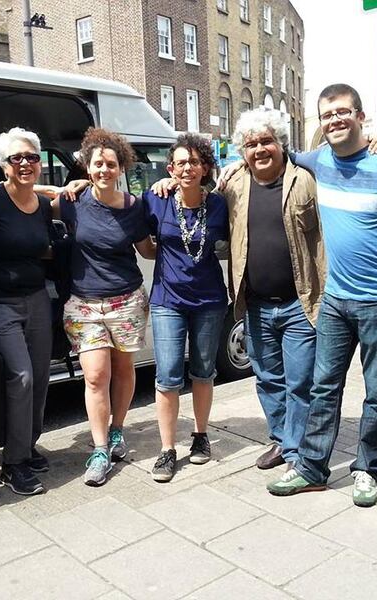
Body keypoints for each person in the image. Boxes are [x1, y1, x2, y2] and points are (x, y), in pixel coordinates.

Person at [266, 84, 377, 508]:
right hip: (334, 300)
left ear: (361, 116)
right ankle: (312, 469)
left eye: (343, 112)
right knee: (323, 386)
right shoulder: (317, 161)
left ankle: (367, 468)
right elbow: (271, 156)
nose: (335, 121)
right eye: (327, 115)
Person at [222, 108, 325, 471]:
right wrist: (169, 182)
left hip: (300, 304)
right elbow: (196, 192)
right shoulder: (233, 183)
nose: (259, 149)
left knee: (300, 382)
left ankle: (296, 450)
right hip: (255, 305)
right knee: (267, 380)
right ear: (242, 151)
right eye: (251, 144)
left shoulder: (306, 180)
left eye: (266, 141)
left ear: (280, 143)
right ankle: (282, 440)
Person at [61, 127, 155, 487]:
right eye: (98, 163)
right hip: (83, 303)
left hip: (126, 299)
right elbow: (34, 195)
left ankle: (118, 430)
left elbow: (147, 249)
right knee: (96, 375)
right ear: (88, 167)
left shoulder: (135, 208)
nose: (104, 170)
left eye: (111, 164)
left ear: (121, 169)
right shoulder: (73, 200)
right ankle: (100, 449)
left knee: (123, 367)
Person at [142, 133, 229, 482]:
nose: (188, 168)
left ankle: (200, 435)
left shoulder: (219, 204)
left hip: (209, 299)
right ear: (171, 168)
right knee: (167, 375)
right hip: (167, 299)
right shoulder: (156, 199)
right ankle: (167, 449)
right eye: (181, 162)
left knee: (204, 371)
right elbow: (137, 234)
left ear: (205, 166)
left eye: (194, 161)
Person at [0, 127, 53, 496]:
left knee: (38, 376)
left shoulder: (42, 206)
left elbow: (44, 248)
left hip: (36, 299)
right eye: (16, 158)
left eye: (31, 157)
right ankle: (13, 464)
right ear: (3, 165)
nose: (24, 164)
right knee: (19, 377)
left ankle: (26, 445)